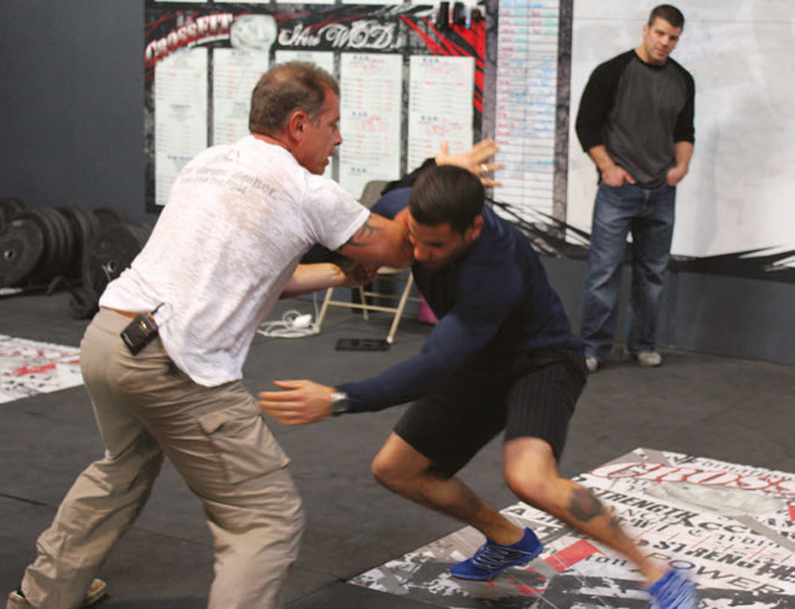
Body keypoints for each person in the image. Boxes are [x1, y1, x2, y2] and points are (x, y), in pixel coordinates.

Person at [6, 61, 495, 609]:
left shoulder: (210, 162)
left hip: (108, 338)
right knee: (265, 519)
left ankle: (44, 595)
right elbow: (402, 249)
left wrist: (340, 271)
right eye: (332, 124)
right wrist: (443, 178)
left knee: (121, 467)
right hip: (172, 362)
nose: (340, 136)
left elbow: (268, 274)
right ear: (298, 126)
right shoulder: (307, 188)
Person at [258, 164, 699, 608]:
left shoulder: (494, 265)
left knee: (529, 478)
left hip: (538, 360)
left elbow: (435, 366)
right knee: (395, 469)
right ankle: (508, 539)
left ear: (472, 228)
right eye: (414, 238)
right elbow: (350, 226)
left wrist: (339, 399)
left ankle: (658, 573)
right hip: (479, 360)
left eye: (436, 245)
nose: (421, 254)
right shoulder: (399, 209)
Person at [575, 4, 695, 373]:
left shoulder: (683, 80)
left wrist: (681, 168)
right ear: (646, 30)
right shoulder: (612, 72)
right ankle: (593, 348)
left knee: (653, 273)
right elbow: (586, 126)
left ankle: (641, 344)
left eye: (673, 38)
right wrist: (608, 168)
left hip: (661, 192)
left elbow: (684, 132)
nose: (665, 43)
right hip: (618, 191)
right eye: (660, 34)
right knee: (604, 272)